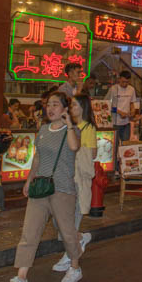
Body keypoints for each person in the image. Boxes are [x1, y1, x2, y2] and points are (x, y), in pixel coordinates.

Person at [12, 92, 82, 282]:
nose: (50, 108)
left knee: (67, 232)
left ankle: (75, 267)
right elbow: (37, 157)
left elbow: (74, 147)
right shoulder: (43, 130)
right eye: (48, 104)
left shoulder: (72, 130)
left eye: (55, 105)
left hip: (62, 189)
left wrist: (69, 125)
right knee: (30, 231)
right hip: (40, 186)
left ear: (64, 109)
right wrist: (29, 179)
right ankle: (22, 275)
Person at [52, 94, 96, 273]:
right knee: (59, 219)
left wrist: (74, 150)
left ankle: (71, 260)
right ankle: (80, 239)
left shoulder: (88, 128)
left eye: (76, 105)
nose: (72, 108)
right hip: (64, 178)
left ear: (83, 108)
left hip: (77, 179)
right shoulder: (70, 127)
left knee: (72, 218)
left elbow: (92, 154)